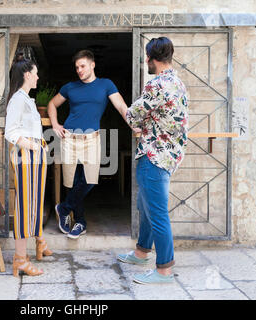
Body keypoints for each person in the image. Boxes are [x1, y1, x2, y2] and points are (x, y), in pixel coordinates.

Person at [117, 37, 188, 284]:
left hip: (153, 155)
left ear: (151, 58)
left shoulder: (156, 84)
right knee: (144, 205)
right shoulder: (178, 83)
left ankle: (164, 270)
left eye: (146, 57)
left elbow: (133, 117)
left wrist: (126, 110)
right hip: (169, 155)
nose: (145, 61)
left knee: (157, 213)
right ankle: (141, 252)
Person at [48, 49, 134, 239]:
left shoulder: (106, 85)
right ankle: (80, 223)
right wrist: (55, 124)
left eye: (83, 66)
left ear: (92, 65)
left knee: (90, 180)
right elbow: (52, 104)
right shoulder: (70, 87)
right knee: (72, 182)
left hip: (92, 139)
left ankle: (63, 208)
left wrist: (134, 126)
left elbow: (121, 107)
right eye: (77, 67)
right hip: (69, 138)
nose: (79, 70)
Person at [4, 54, 53, 277]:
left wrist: (40, 147)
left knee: (34, 203)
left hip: (33, 158)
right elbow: (11, 133)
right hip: (26, 158)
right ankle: (20, 260)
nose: (37, 77)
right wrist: (35, 147)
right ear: (27, 74)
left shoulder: (26, 99)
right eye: (35, 73)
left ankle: (39, 241)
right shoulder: (17, 100)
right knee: (25, 207)